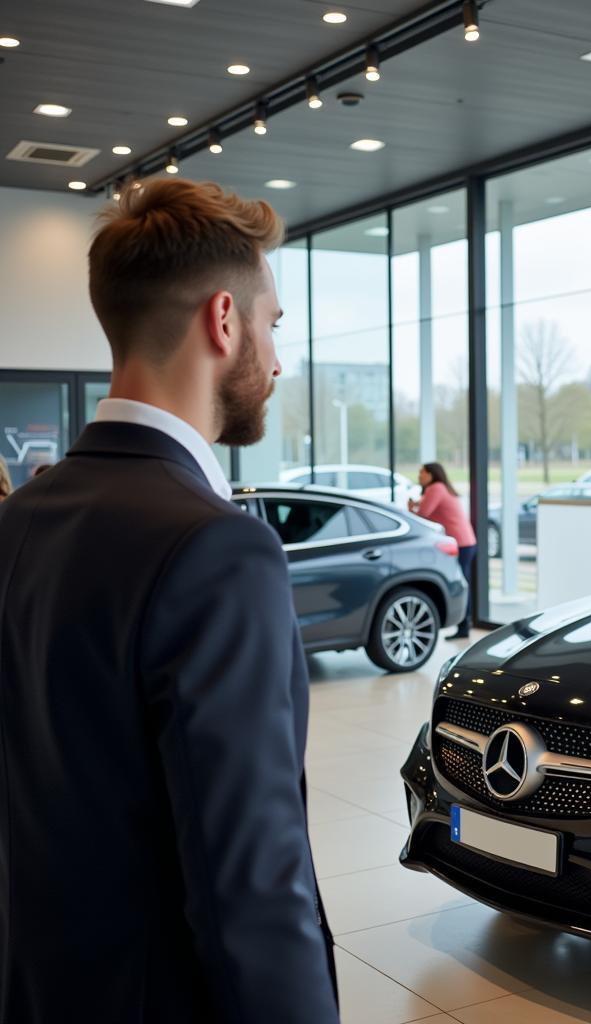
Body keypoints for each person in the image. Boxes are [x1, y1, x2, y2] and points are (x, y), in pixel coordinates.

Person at [0, 178, 339, 1024]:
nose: (278, 356)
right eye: (273, 325)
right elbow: (252, 894)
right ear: (225, 321)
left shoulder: (20, 520)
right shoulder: (219, 550)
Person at [409, 461, 475, 638]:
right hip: (465, 542)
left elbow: (423, 515)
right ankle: (464, 625)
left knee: (461, 584)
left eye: (422, 472)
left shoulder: (436, 488)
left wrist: (411, 509)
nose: (419, 476)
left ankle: (464, 626)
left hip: (461, 543)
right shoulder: (440, 488)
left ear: (431, 475)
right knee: (463, 582)